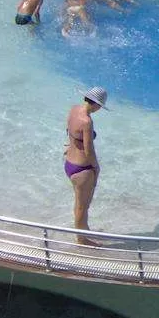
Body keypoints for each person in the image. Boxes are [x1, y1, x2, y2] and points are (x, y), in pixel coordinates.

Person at [64, 86, 108, 246]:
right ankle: (82, 239)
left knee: (79, 203)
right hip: (82, 169)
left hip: (69, 163)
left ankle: (83, 230)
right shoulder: (87, 121)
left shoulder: (74, 109)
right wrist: (96, 167)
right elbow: (89, 150)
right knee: (82, 207)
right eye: (100, 106)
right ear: (96, 104)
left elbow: (69, 130)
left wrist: (70, 144)